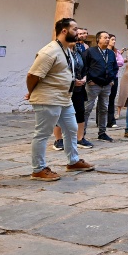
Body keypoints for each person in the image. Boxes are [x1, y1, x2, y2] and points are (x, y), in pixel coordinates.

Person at [25, 18, 95, 181]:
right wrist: (32, 92)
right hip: (49, 98)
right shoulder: (49, 51)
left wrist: (72, 82)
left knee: (71, 129)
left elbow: (60, 73)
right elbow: (32, 75)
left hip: (64, 98)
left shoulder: (66, 50)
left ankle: (73, 161)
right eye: (75, 29)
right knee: (42, 133)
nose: (77, 32)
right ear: (64, 31)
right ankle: (38, 169)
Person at [51, 33, 87, 151]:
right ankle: (58, 140)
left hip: (78, 88)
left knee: (80, 112)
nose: (74, 41)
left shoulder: (78, 53)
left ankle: (80, 138)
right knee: (60, 113)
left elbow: (84, 68)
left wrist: (84, 78)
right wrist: (72, 81)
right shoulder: (61, 53)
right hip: (64, 88)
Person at [81, 31, 119, 143]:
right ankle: (81, 133)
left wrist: (111, 80)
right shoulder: (90, 52)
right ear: (98, 39)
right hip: (93, 85)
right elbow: (84, 66)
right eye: (105, 37)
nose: (107, 39)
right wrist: (89, 79)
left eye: (108, 38)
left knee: (104, 109)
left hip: (106, 85)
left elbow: (115, 68)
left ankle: (102, 133)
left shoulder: (111, 53)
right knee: (87, 109)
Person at [105, 34, 124, 128]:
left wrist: (113, 62)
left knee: (111, 99)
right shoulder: (103, 51)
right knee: (102, 99)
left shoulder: (116, 52)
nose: (114, 41)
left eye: (114, 39)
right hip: (104, 77)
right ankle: (100, 120)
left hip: (114, 77)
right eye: (112, 39)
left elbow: (121, 62)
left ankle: (111, 120)